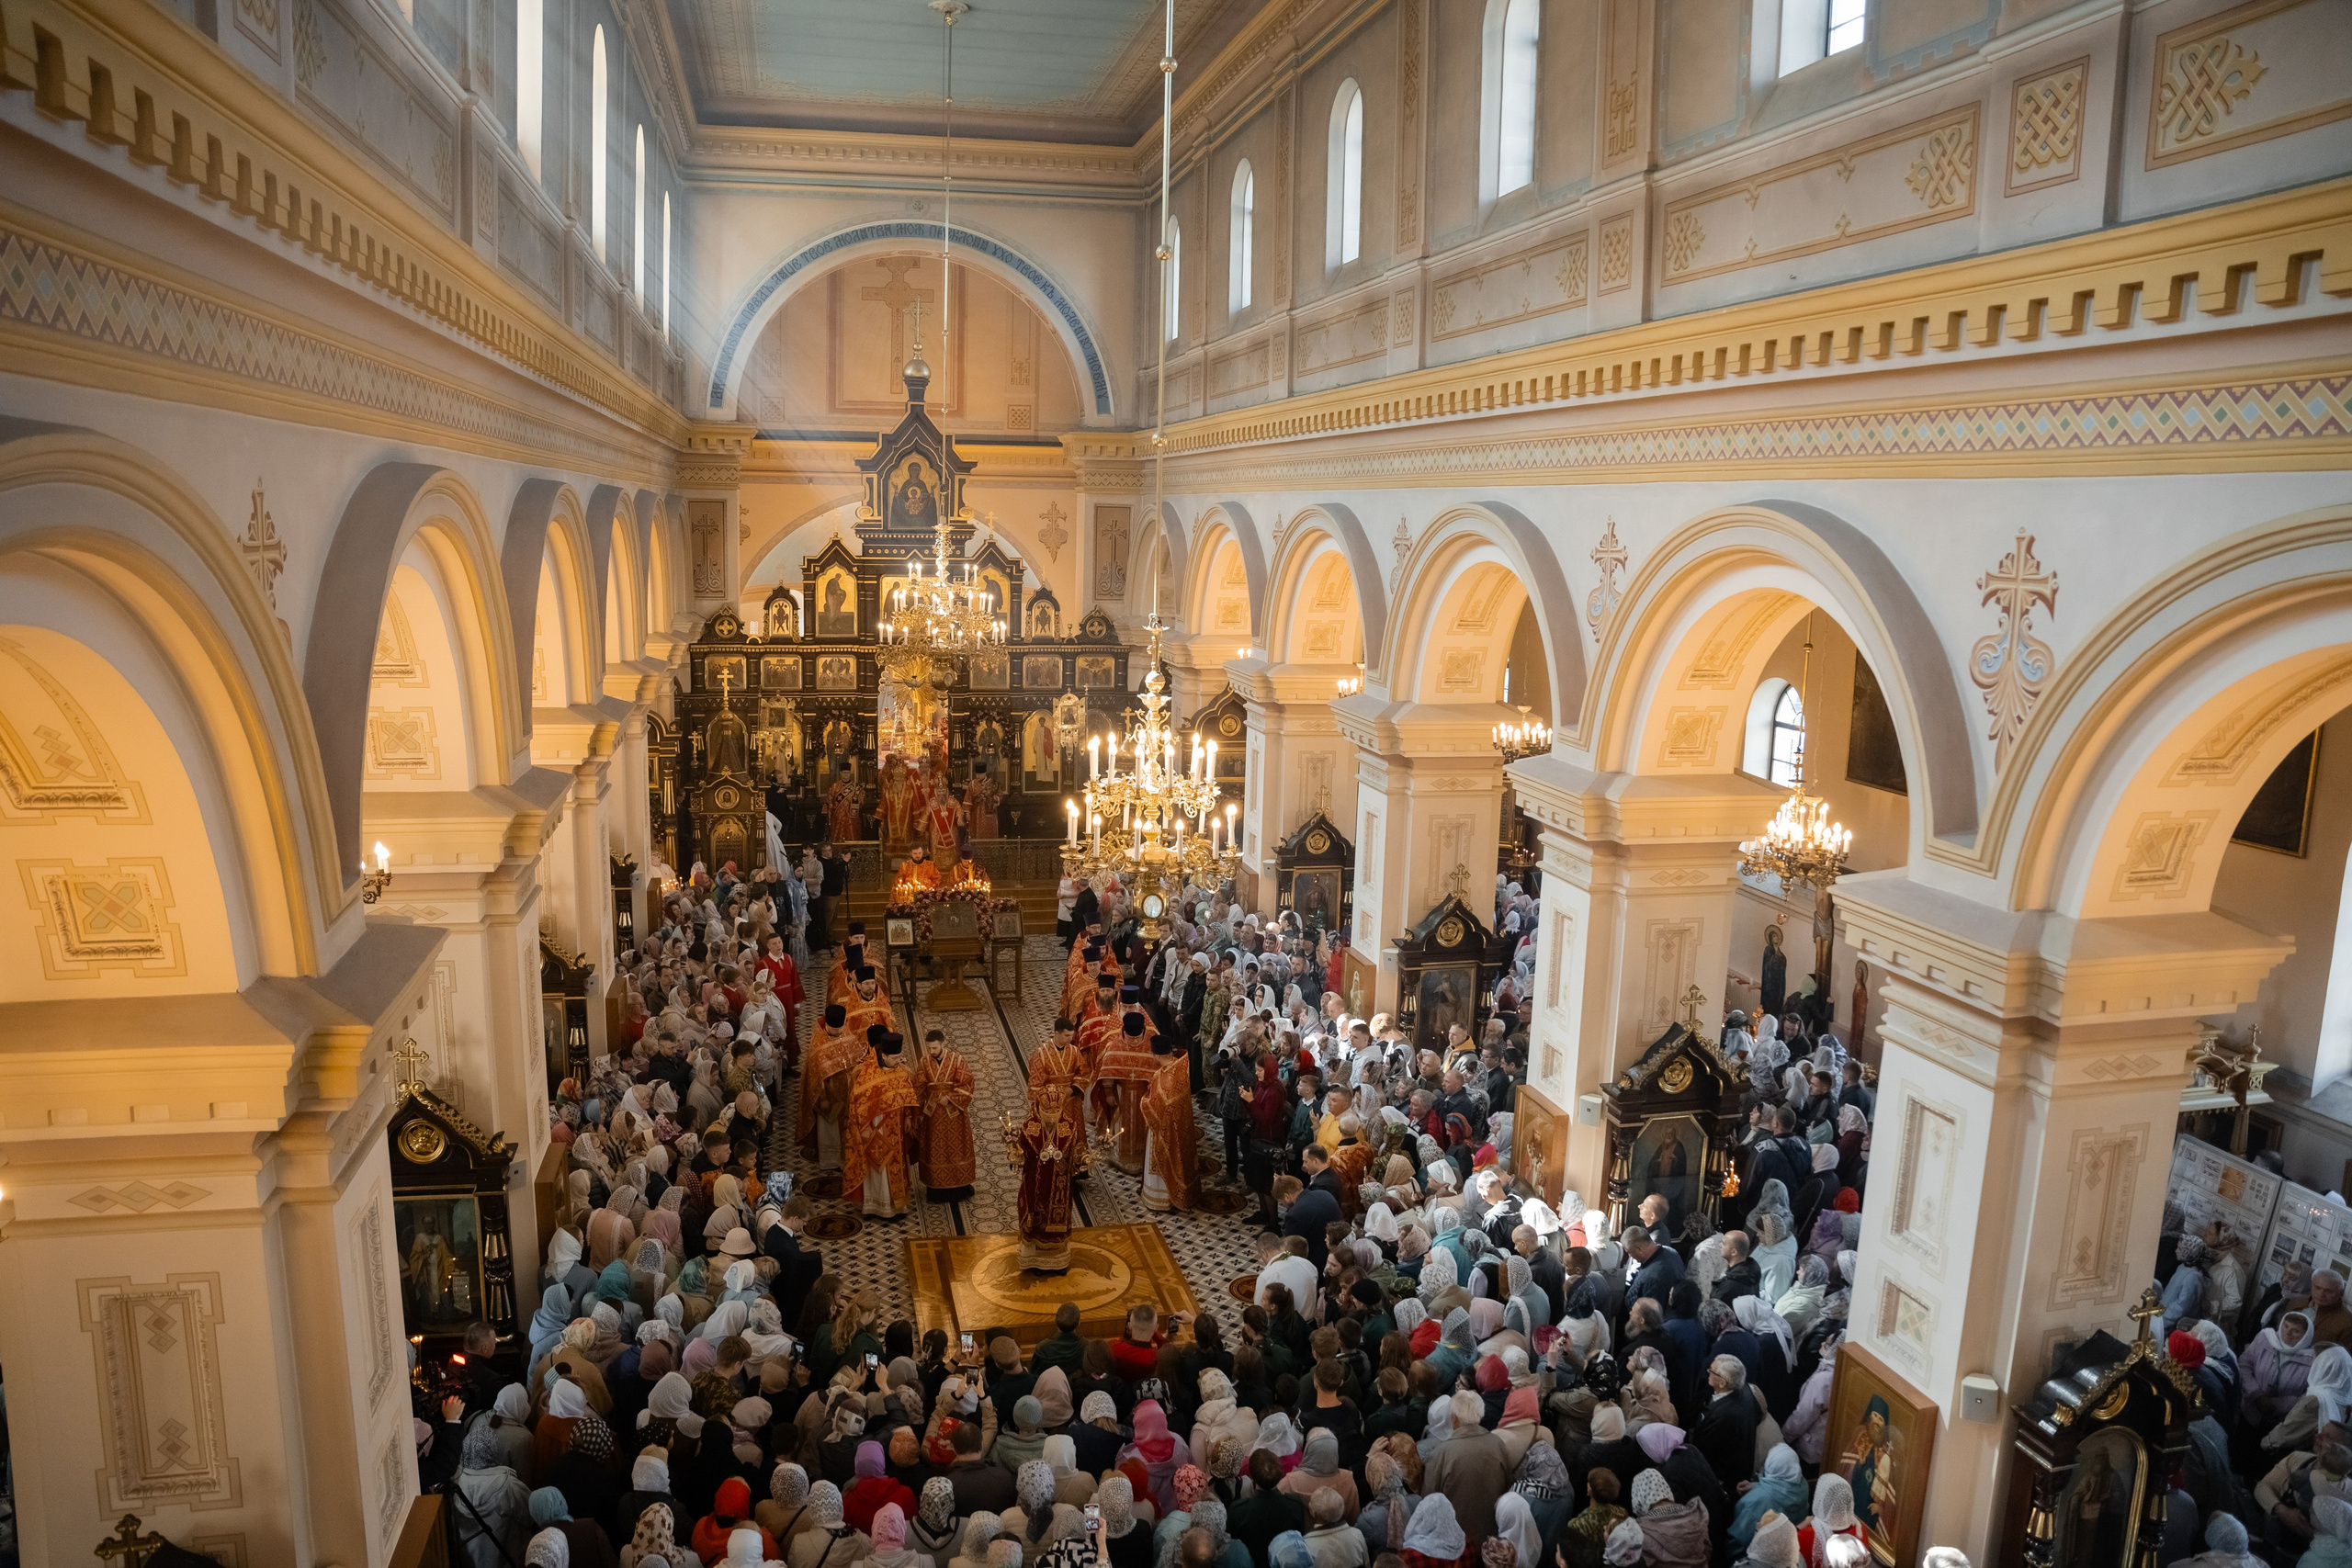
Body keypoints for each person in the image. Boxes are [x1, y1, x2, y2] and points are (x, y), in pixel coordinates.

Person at [1017, 1021, 1089, 1270]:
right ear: (1056, 1033)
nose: (1070, 1039)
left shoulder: (1074, 1052)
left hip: (1070, 1106)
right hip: (1047, 1112)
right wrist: (1052, 1099)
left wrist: (1069, 1091)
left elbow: (1083, 1073)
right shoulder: (1041, 1054)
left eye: (1072, 1035)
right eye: (1067, 1035)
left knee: (1072, 1144)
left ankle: (1074, 1173)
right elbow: (1035, 1087)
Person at [844, 1033, 921, 1219]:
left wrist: (909, 1117)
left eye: (899, 1056)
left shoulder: (902, 1072)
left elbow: (907, 1098)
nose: (898, 1061)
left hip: (897, 1132)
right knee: (877, 1170)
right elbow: (858, 1107)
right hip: (875, 1131)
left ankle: (897, 1206)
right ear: (884, 1056)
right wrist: (866, 1128)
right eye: (894, 1058)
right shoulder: (868, 1077)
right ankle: (873, 1206)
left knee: (895, 1167)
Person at [914, 1029, 977, 1202]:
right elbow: (918, 1089)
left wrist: (950, 1097)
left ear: (943, 1044)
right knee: (935, 1149)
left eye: (934, 1048)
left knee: (956, 1148)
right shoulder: (924, 1062)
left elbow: (968, 1084)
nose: (931, 1052)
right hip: (932, 1116)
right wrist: (917, 1113)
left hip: (954, 1115)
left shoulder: (957, 1061)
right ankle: (937, 1189)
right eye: (929, 1048)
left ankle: (960, 1187)